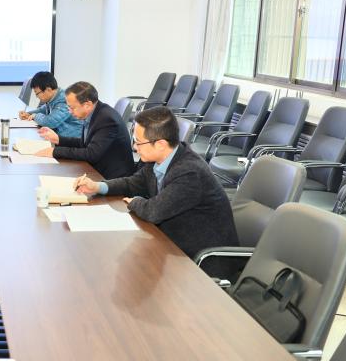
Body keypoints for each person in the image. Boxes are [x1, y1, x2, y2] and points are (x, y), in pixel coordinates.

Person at [73, 106, 238, 262]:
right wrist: (98, 186)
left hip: (201, 258)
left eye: (138, 142)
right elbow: (133, 183)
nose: (134, 147)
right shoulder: (158, 159)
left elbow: (153, 211)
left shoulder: (189, 172)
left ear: (160, 144)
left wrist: (135, 201)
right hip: (171, 241)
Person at [34, 81, 135, 179]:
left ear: (87, 105)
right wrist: (58, 139)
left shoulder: (106, 119)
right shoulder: (94, 112)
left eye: (72, 108)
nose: (70, 111)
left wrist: (55, 152)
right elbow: (85, 143)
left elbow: (91, 154)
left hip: (112, 178)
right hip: (97, 168)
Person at [18, 71, 82, 139]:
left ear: (48, 90)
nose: (37, 97)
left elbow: (50, 122)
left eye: (37, 93)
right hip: (59, 136)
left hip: (71, 140)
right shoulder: (54, 97)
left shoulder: (64, 100)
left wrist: (35, 116)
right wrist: (28, 114)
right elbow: (42, 110)